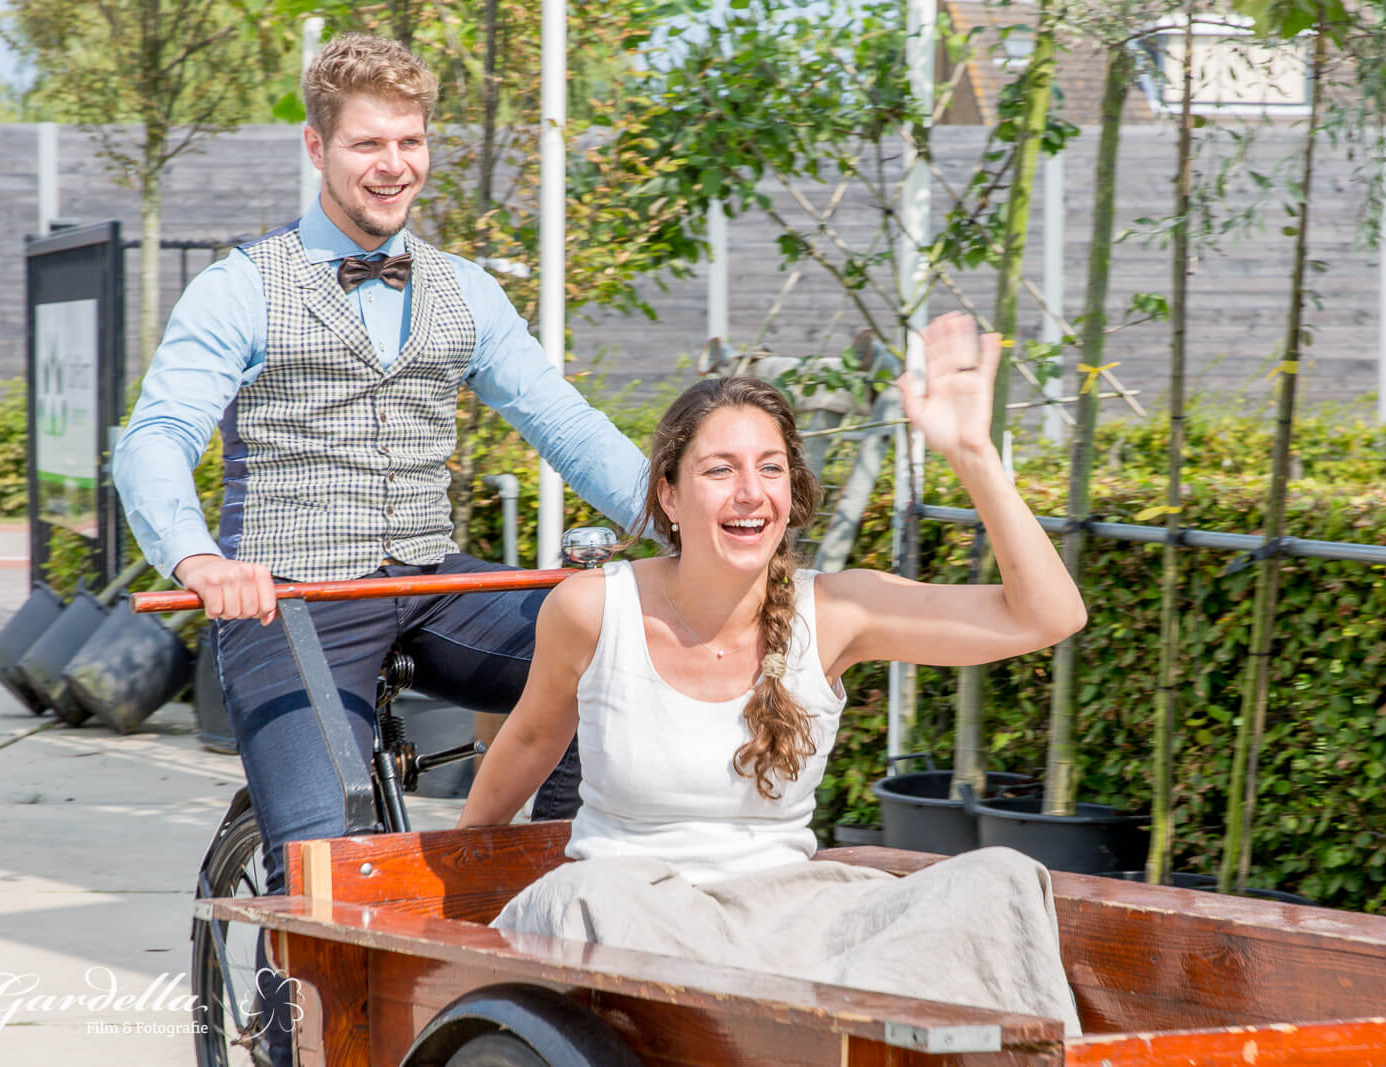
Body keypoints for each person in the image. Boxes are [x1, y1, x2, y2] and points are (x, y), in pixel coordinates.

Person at [115, 33, 647, 893]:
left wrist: (682, 521)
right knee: (327, 869)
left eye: (411, 140)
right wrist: (199, 559)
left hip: (432, 577)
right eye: (368, 142)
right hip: (290, 596)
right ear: (317, 146)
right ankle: (301, 980)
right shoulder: (240, 286)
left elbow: (564, 423)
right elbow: (158, 434)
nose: (393, 164)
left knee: (620, 657)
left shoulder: (466, 289)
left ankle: (551, 890)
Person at [456, 312, 1088, 1033]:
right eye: (719, 469)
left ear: (791, 493)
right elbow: (530, 740)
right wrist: (448, 884)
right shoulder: (593, 608)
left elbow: (1048, 616)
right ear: (669, 495)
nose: (750, 491)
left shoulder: (837, 611)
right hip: (635, 914)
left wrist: (972, 451)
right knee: (586, 894)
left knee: (999, 879)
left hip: (792, 922)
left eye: (770, 467)